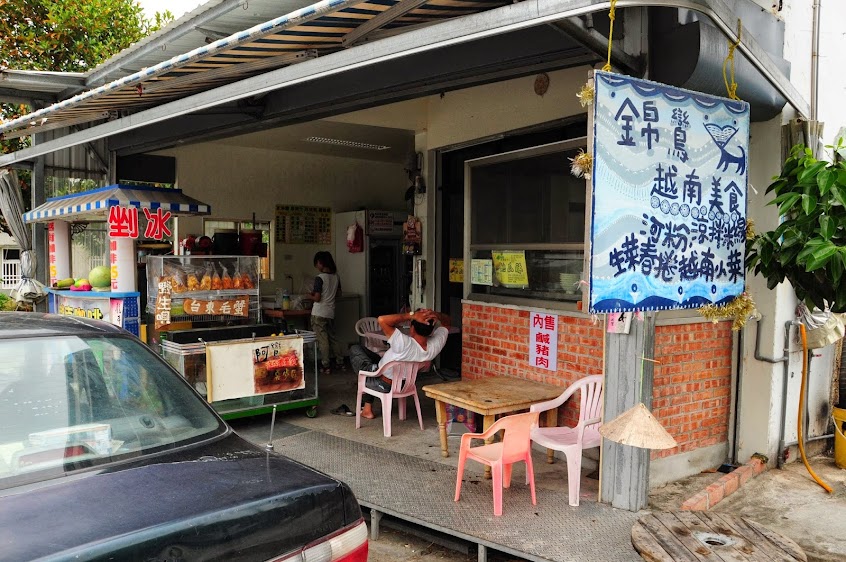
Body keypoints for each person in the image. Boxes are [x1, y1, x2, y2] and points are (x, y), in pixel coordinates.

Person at [350, 308, 451, 419]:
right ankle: (367, 409)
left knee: (355, 349)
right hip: (406, 384)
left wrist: (412, 315)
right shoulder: (435, 346)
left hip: (382, 383)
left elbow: (382, 319)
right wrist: (434, 314)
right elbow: (447, 322)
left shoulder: (404, 343)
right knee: (373, 359)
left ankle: (367, 407)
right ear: (431, 331)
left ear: (412, 328)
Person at [309, 251, 345, 374]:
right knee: (333, 338)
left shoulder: (319, 278)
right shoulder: (336, 277)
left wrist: (309, 296)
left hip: (319, 313)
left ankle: (326, 365)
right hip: (330, 313)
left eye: (317, 263)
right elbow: (339, 294)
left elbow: (317, 298)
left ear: (320, 263)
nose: (317, 266)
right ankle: (340, 362)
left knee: (322, 340)